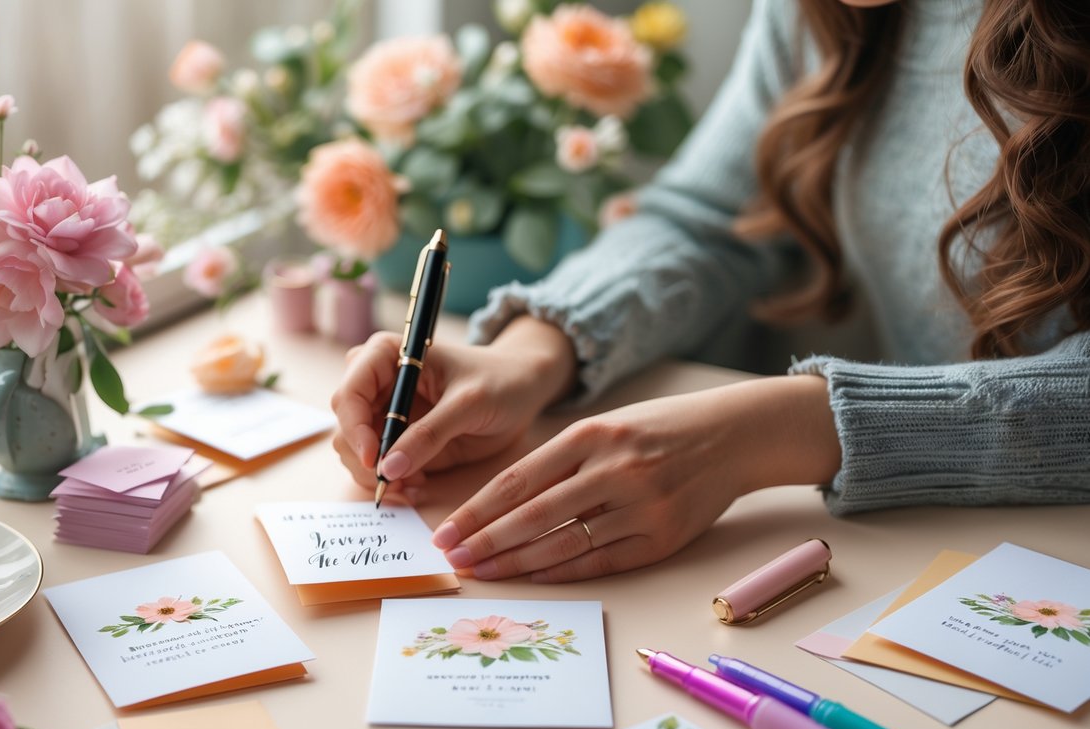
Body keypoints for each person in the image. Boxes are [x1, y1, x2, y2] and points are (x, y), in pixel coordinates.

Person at [330, 0, 1090, 583]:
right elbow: (710, 218)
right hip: (920, 548)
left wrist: (778, 430)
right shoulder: (825, 13)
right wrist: (535, 349)